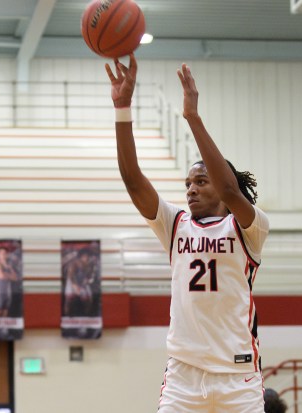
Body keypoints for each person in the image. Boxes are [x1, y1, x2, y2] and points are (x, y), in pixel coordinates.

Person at [106, 54, 269, 412]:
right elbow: (133, 180)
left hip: (237, 377)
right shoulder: (176, 225)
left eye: (200, 181)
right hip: (184, 377)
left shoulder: (249, 227)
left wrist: (192, 117)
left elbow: (229, 190)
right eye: (187, 183)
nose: (191, 189)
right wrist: (122, 108)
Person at [63, 248, 97, 316]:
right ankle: (67, 315)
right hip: (72, 282)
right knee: (69, 300)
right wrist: (75, 287)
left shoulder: (91, 265)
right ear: (81, 256)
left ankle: (87, 315)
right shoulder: (74, 263)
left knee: (88, 299)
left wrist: (88, 280)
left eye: (87, 256)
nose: (86, 258)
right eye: (84, 256)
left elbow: (91, 276)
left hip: (82, 283)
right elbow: (71, 275)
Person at [0, 247, 19, 318]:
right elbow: (1, 276)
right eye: (1, 253)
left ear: (7, 255)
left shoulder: (9, 266)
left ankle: (2, 329)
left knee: (5, 312)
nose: (3, 254)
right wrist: (10, 276)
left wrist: (7, 275)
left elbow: (15, 278)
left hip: (8, 292)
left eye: (4, 253)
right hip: (0, 292)